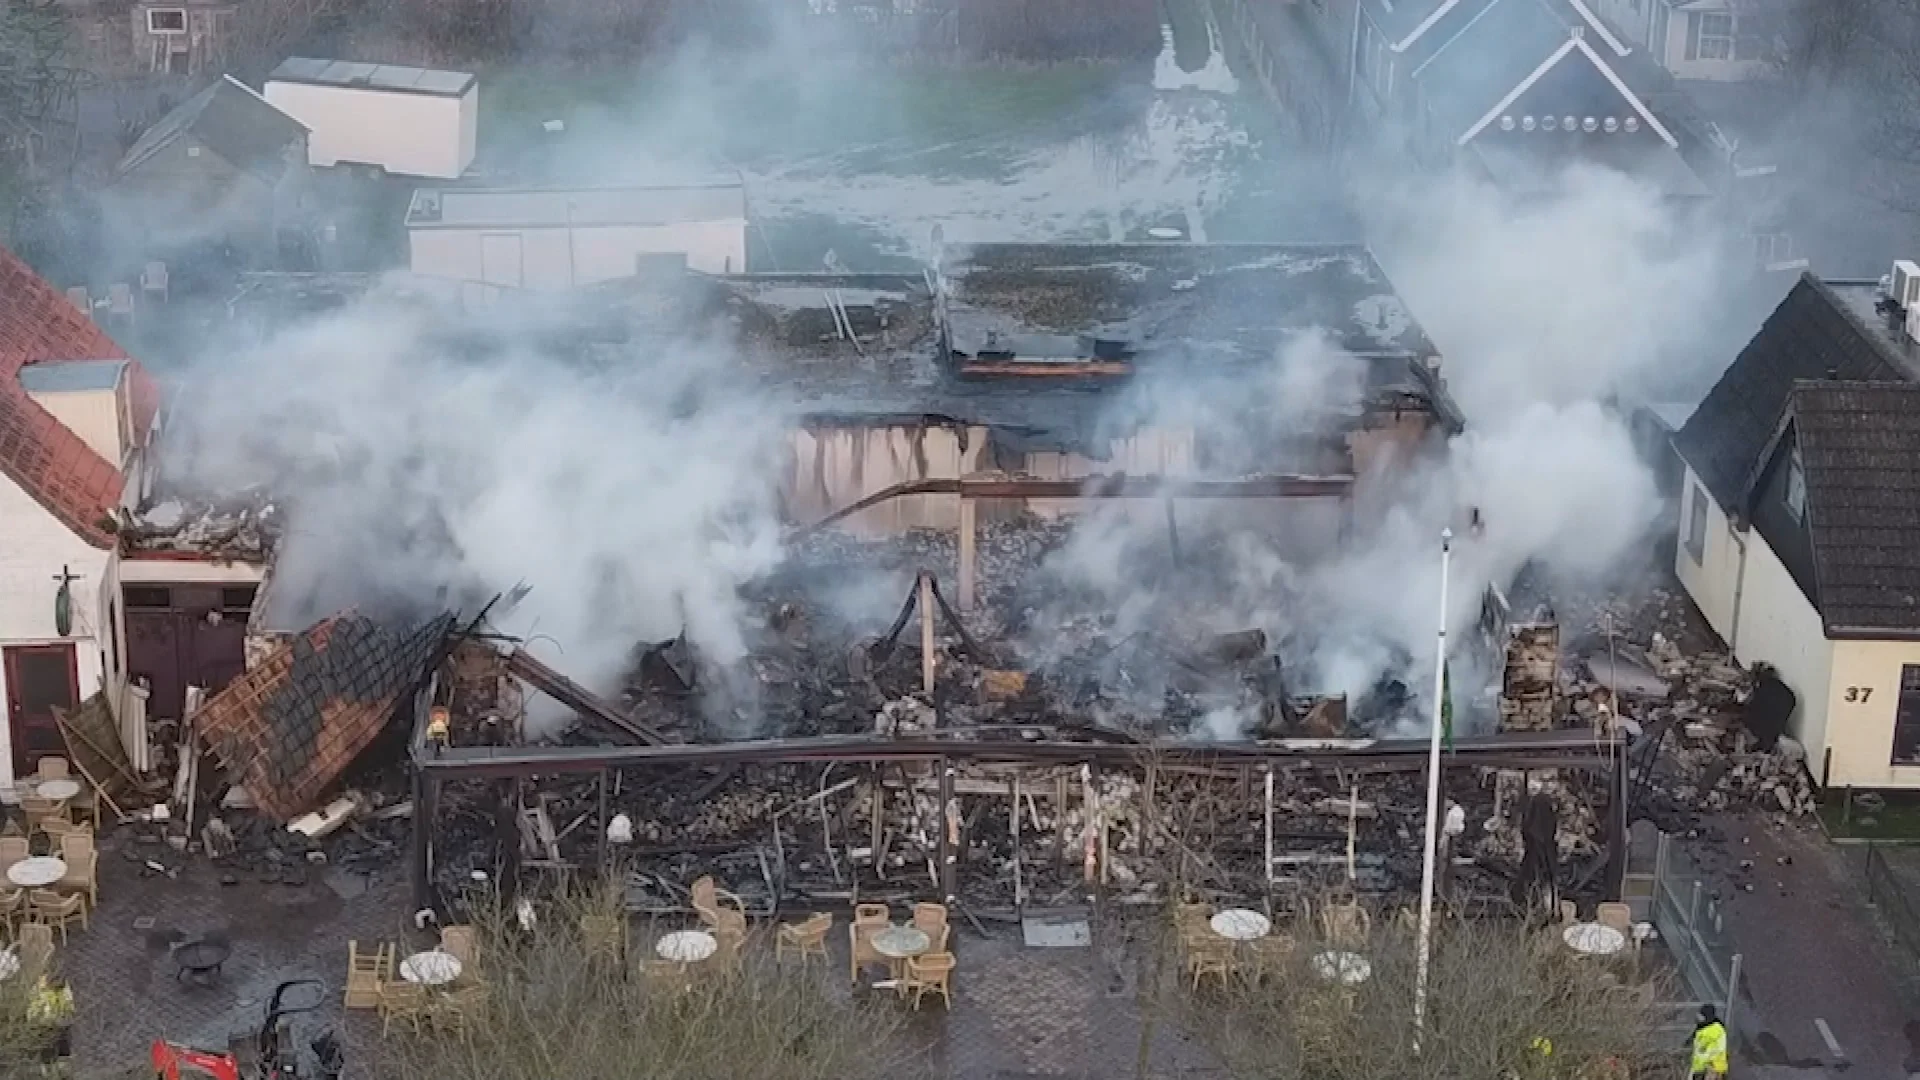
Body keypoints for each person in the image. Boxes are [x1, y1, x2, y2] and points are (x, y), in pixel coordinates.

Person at [1690, 1004, 1729, 1079]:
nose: (1699, 1019)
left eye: (1702, 1017)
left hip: (1712, 1069)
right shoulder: (1704, 1028)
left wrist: (1709, 1068)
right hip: (1702, 1068)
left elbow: (1716, 1050)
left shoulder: (1715, 1030)